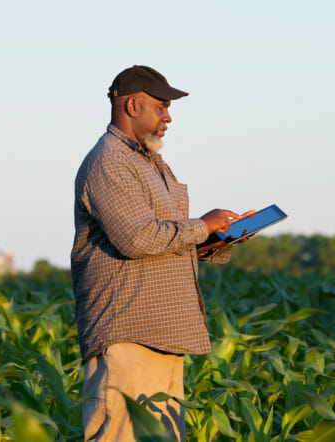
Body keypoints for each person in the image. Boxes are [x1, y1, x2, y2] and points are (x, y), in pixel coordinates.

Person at [71, 65, 255, 441]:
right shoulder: (110, 161)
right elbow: (136, 239)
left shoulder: (150, 163)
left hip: (163, 333)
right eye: (161, 106)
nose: (168, 116)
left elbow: (164, 240)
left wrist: (219, 238)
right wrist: (203, 224)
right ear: (133, 105)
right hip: (128, 334)